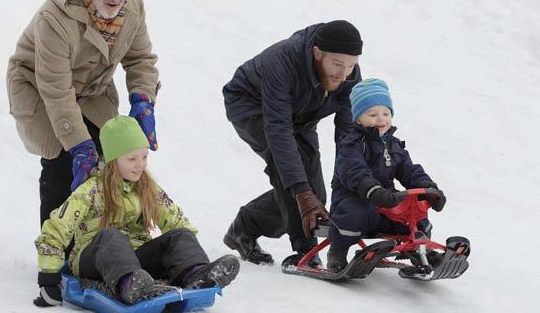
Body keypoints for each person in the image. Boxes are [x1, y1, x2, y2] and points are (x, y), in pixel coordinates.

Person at [6, 0, 160, 228]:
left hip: (92, 91)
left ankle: (102, 245)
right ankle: (56, 255)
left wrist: (143, 101)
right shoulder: (55, 18)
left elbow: (141, 59)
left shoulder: (132, 5)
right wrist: (79, 145)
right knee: (66, 160)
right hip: (39, 89)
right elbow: (56, 90)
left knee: (114, 157)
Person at [33, 115, 240, 307]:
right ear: (113, 160)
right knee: (111, 237)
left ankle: (195, 275)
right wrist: (49, 274)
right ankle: (128, 285)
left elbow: (174, 218)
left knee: (180, 235)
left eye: (144, 157)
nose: (140, 165)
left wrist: (188, 254)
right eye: (132, 159)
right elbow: (58, 227)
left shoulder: (146, 186)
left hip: (134, 259)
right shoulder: (90, 190)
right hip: (94, 258)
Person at [221, 20, 363, 265]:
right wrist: (301, 193)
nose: (344, 74)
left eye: (351, 65)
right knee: (291, 175)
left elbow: (347, 132)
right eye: (338, 64)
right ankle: (305, 250)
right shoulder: (282, 60)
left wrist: (354, 178)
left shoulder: (348, 74)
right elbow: (278, 130)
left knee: (316, 194)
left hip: (301, 117)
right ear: (318, 53)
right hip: (252, 107)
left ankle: (244, 227)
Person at [326, 78, 447, 272]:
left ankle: (421, 250)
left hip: (386, 201)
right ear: (358, 118)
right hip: (355, 198)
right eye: (372, 114)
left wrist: (429, 188)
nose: (381, 119)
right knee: (353, 213)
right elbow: (353, 170)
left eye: (386, 113)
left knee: (415, 212)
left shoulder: (393, 144)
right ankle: (337, 251)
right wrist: (373, 190)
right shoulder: (351, 143)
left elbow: (409, 170)